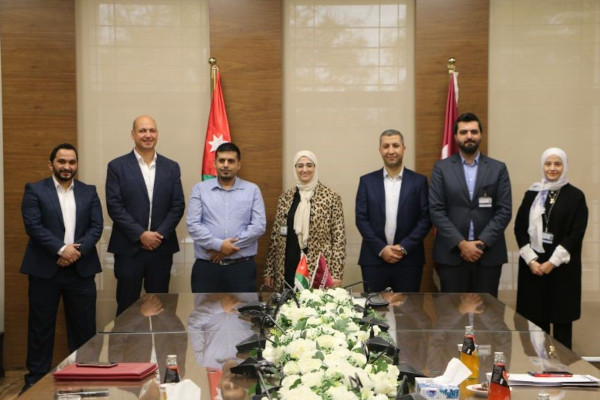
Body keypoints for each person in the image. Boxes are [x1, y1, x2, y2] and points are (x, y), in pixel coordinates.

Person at [20, 143, 103, 390]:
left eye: (71, 162)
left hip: (81, 270)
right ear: (51, 164)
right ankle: (35, 382)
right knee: (40, 328)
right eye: (62, 162)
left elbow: (96, 227)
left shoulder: (89, 191)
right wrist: (61, 249)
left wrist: (75, 251)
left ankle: (86, 377)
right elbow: (33, 226)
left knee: (84, 329)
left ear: (76, 165)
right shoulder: (35, 190)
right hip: (45, 270)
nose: (67, 167)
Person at [106, 115, 185, 315]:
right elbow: (115, 206)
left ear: (157, 134)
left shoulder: (171, 167)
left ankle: (155, 348)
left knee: (160, 308)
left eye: (152, 130)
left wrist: (157, 236)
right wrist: (141, 234)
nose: (147, 135)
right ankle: (125, 348)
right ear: (133, 135)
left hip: (160, 249)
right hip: (128, 248)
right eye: (142, 131)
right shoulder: (117, 166)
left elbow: (177, 205)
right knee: (126, 308)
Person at [429, 112, 512, 297]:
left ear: (480, 135)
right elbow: (436, 210)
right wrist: (462, 244)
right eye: (464, 132)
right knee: (452, 315)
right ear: (456, 136)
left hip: (488, 255)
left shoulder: (498, 169)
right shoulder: (441, 168)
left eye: (474, 131)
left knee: (487, 316)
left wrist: (481, 244)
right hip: (452, 255)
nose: (469, 136)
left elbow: (504, 210)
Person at [514, 148, 587, 349]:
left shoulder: (576, 197)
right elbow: (519, 229)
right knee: (535, 327)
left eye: (557, 164)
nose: (552, 168)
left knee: (562, 327)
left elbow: (576, 234)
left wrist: (552, 263)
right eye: (548, 164)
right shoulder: (532, 194)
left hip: (562, 271)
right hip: (534, 271)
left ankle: (562, 374)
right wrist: (531, 260)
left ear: (564, 166)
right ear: (542, 166)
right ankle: (536, 372)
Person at [355, 129, 431, 292]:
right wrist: (382, 249)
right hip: (374, 260)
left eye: (395, 146)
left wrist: (403, 248)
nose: (391, 151)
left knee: (408, 313)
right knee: (375, 313)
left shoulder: (419, 181)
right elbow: (361, 219)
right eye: (386, 146)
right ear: (380, 150)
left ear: (403, 148)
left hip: (409, 260)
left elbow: (425, 219)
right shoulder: (366, 181)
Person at [187, 142, 266, 292]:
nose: (225, 165)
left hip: (241, 269)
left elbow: (258, 226)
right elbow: (193, 225)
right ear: (214, 163)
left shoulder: (252, 190)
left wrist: (226, 249)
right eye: (221, 160)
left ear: (238, 165)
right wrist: (218, 244)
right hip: (207, 268)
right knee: (204, 314)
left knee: (241, 314)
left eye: (231, 161)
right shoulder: (200, 189)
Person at [264, 150, 345, 291]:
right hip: (288, 263)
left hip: (318, 268)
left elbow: (339, 239)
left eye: (309, 165)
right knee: (288, 308)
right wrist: (269, 270)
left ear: (315, 167)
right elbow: (275, 238)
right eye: (300, 166)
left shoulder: (331, 197)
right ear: (295, 169)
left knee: (315, 308)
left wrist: (336, 273)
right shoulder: (285, 198)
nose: (305, 170)